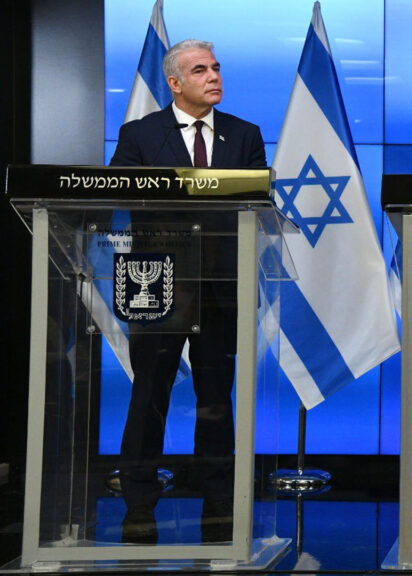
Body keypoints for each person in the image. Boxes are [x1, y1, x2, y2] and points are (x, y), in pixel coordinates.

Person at [110, 38, 267, 544]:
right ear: (175, 83)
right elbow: (117, 193)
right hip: (157, 283)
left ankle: (219, 502)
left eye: (217, 68)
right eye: (201, 70)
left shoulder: (245, 135)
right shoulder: (140, 134)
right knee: (148, 395)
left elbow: (260, 207)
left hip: (221, 287)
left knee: (216, 398)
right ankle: (138, 503)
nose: (214, 76)